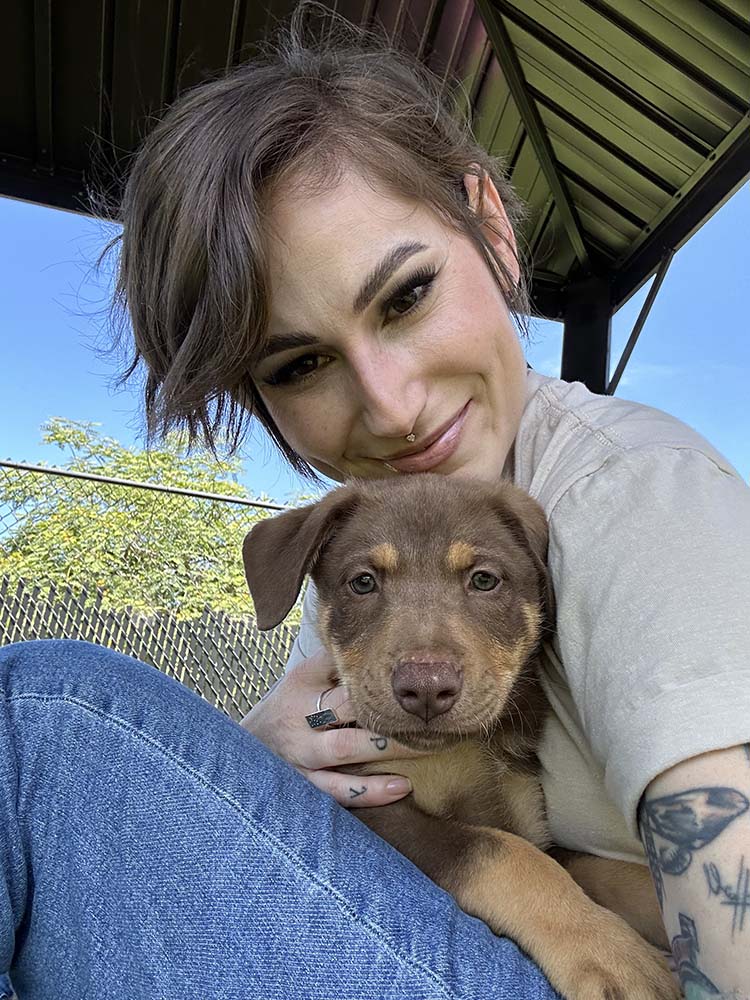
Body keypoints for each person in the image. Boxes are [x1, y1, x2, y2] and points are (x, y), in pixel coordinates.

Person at [2, 6, 749, 998]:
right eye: (303, 362)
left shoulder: (625, 490)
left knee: (40, 718)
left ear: (490, 224)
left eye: (405, 297)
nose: (391, 406)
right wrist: (260, 766)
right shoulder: (374, 545)